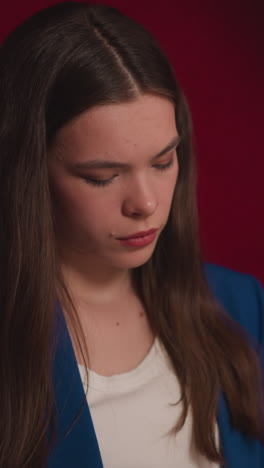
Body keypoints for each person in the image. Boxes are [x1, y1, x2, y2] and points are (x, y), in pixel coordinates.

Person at [0, 2, 263, 467]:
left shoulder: (244, 306)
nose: (145, 203)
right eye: (102, 176)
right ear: (27, 173)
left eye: (163, 162)